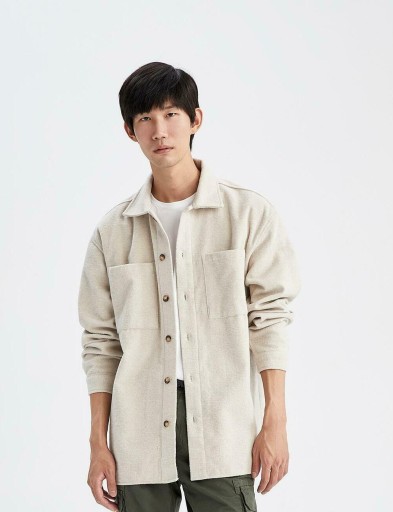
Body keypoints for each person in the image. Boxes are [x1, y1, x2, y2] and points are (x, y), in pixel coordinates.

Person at [78, 61, 301, 512]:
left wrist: (274, 420)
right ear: (130, 131)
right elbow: (101, 343)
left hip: (225, 427)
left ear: (195, 119)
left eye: (170, 114)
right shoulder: (112, 232)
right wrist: (98, 444)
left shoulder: (248, 214)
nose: (159, 131)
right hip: (138, 435)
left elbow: (269, 319)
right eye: (145, 118)